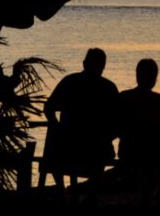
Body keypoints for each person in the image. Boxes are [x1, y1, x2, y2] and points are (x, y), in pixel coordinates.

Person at [41, 48, 119, 186]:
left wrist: (57, 127)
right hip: (96, 148)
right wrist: (105, 136)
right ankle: (88, 193)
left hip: (72, 146)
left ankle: (62, 190)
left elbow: (49, 108)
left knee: (53, 145)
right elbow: (118, 121)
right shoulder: (108, 87)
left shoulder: (70, 82)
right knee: (97, 156)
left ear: (84, 63)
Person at [116, 59, 160, 180]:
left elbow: (116, 127)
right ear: (154, 78)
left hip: (128, 151)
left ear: (137, 76)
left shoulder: (124, 97)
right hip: (154, 152)